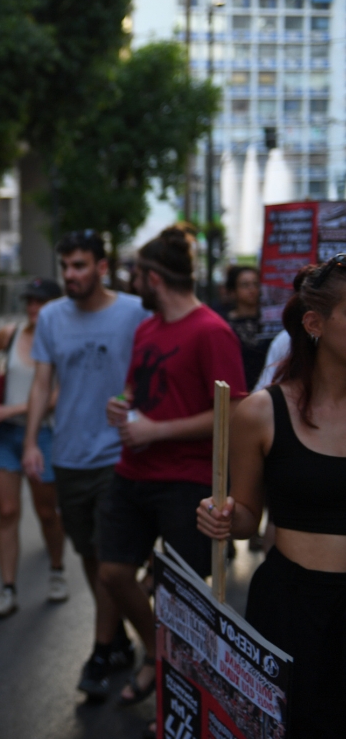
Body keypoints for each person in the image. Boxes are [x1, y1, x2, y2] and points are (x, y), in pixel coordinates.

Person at [196, 253, 346, 737]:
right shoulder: (262, 412)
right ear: (314, 323)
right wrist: (223, 515)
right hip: (291, 607)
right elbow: (246, 517)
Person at [102, 227, 247, 708]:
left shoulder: (212, 331)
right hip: (132, 474)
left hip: (185, 480)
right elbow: (137, 391)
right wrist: (122, 408)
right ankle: (154, 653)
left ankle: (175, 696)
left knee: (183, 596)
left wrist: (157, 431)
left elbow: (233, 414)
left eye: (136, 276)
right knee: (113, 573)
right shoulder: (147, 328)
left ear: (153, 278)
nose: (132, 284)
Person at [22, 230, 148, 698]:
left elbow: (147, 374)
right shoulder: (52, 316)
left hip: (119, 454)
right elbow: (40, 385)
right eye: (66, 267)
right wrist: (33, 441)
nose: (70, 275)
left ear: (101, 266)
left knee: (110, 557)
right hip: (69, 455)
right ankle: (116, 639)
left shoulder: (134, 312)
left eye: (79, 266)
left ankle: (102, 651)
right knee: (91, 555)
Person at [0, 277, 68, 618]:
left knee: (47, 512)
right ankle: (8, 589)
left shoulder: (60, 340)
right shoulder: (12, 333)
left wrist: (12, 408)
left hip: (43, 435)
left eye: (41, 302)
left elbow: (57, 396)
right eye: (30, 302)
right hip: (3, 436)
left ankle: (57, 571)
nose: (34, 309)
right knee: (7, 512)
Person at [223, 265, 272, 390]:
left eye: (255, 284)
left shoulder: (271, 322)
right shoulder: (224, 324)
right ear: (233, 291)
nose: (252, 289)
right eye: (245, 285)